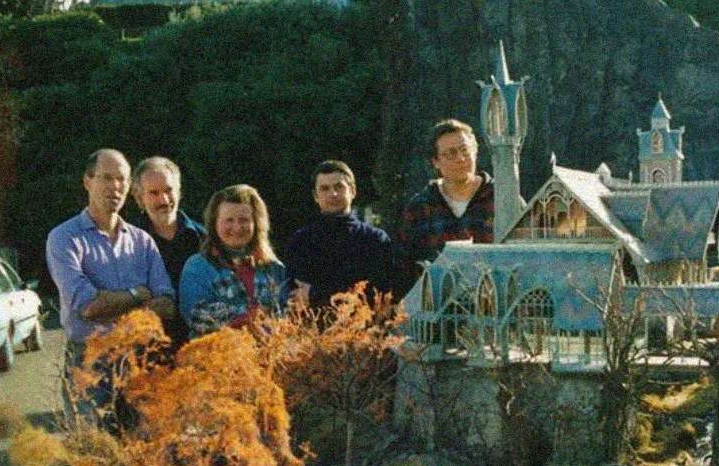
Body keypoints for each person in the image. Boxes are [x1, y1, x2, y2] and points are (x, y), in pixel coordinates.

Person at [46, 148, 176, 421]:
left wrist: (114, 304)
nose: (115, 187)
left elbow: (167, 305)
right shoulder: (65, 239)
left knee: (144, 450)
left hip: (140, 361)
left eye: (122, 180)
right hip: (89, 364)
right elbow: (88, 306)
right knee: (95, 453)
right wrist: (137, 295)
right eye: (107, 178)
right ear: (87, 181)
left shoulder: (142, 242)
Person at [394, 119, 494, 296]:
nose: (461, 159)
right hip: (436, 313)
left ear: (476, 151)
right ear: (435, 161)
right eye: (450, 154)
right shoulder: (420, 208)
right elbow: (403, 268)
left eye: (465, 150)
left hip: (496, 310)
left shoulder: (502, 199)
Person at [179, 184, 288, 338]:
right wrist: (248, 320)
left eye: (244, 220)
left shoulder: (274, 268)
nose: (237, 228)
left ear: (256, 223)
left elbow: (286, 315)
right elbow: (197, 315)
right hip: (219, 356)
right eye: (229, 220)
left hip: (271, 355)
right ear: (214, 223)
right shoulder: (197, 267)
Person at [285, 160, 394, 309]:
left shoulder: (375, 240)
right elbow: (298, 299)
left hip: (363, 329)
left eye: (339, 187)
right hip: (313, 331)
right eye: (324, 189)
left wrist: (316, 295)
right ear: (315, 196)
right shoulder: (301, 243)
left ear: (353, 191)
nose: (333, 194)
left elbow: (376, 297)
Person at [131, 156, 204, 344]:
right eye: (153, 193)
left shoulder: (206, 240)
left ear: (179, 192)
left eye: (169, 190)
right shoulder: (126, 245)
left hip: (202, 349)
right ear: (140, 199)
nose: (163, 200)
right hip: (148, 354)